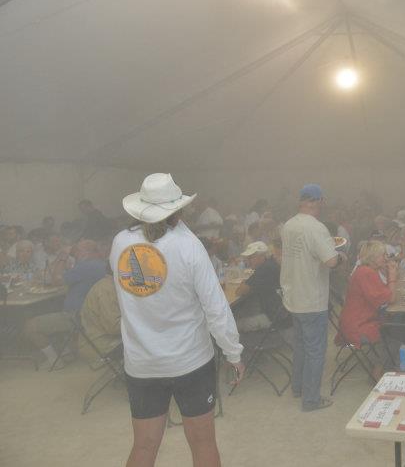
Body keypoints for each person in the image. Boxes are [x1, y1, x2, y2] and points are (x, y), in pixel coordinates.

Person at [110, 173, 243, 467]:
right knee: (203, 443)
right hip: (189, 361)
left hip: (141, 363)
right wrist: (233, 352)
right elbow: (215, 307)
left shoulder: (120, 243)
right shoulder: (188, 245)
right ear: (179, 210)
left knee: (143, 446)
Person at [280, 183, 344, 412]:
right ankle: (311, 399)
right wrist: (341, 257)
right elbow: (331, 261)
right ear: (319, 202)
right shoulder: (316, 228)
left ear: (301, 202)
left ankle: (297, 388)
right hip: (312, 298)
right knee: (315, 349)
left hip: (293, 295)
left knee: (300, 347)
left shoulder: (288, 225)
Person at [23, 239, 107, 369]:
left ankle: (54, 360)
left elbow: (55, 279)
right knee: (52, 308)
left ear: (85, 252)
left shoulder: (87, 266)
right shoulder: (100, 265)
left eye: (77, 251)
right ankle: (67, 350)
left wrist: (62, 256)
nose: (75, 254)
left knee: (30, 326)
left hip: (77, 316)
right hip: (93, 313)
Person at [338, 241, 396, 347]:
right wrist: (392, 276)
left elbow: (384, 293)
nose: (386, 258)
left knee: (395, 319)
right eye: (383, 255)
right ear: (373, 257)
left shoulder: (366, 270)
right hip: (358, 327)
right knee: (397, 323)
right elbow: (391, 298)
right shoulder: (366, 273)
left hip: (354, 321)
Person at [235, 240, 290, 332]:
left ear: (262, 256)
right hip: (281, 311)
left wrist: (244, 283)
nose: (247, 261)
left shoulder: (263, 270)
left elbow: (239, 291)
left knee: (233, 325)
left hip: (273, 317)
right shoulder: (270, 264)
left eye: (251, 257)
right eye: (247, 258)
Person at [78, 272, 122, 364]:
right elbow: (113, 327)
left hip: (103, 340)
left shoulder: (110, 284)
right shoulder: (108, 289)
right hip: (104, 345)